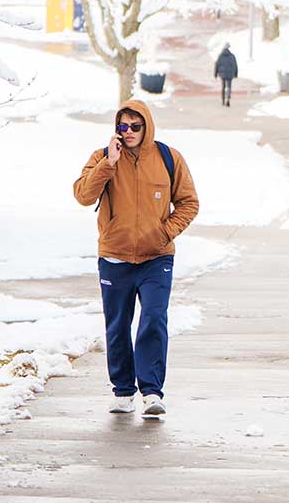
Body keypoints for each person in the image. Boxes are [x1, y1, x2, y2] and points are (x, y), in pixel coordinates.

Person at [72, 100, 200, 417]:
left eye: (135, 126)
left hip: (157, 257)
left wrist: (165, 232)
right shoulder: (102, 157)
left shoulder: (169, 158)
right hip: (114, 257)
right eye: (123, 126)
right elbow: (83, 195)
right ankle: (123, 391)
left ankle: (152, 391)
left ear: (147, 127)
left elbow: (188, 202)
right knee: (117, 326)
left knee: (154, 319)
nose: (128, 132)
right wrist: (109, 164)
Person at [214, 43, 239, 107]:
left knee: (223, 86)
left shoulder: (220, 56)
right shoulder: (232, 56)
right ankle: (228, 99)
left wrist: (215, 74)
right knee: (229, 87)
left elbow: (217, 65)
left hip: (223, 74)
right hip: (230, 74)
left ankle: (223, 100)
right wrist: (236, 73)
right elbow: (235, 65)